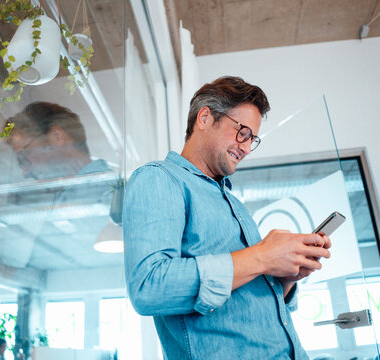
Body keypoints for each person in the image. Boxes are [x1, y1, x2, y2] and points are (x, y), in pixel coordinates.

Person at [123, 76, 332, 359]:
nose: (246, 148)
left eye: (252, 139)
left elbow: (246, 307)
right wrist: (263, 256)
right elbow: (149, 287)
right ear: (206, 118)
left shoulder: (234, 204)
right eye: (242, 132)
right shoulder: (159, 179)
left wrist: (286, 279)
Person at [5, 101, 109, 180]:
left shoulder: (112, 191)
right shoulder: (68, 197)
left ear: (57, 137)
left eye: (24, 156)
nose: (25, 173)